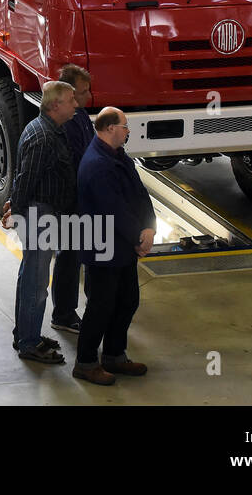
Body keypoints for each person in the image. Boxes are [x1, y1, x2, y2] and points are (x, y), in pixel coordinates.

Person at [72, 107, 156, 386]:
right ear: (110, 129)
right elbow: (114, 209)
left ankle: (114, 355)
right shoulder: (97, 164)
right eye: (124, 125)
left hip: (122, 245)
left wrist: (149, 227)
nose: (128, 130)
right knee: (101, 306)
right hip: (103, 246)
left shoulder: (118, 156)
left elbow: (139, 193)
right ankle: (85, 363)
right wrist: (138, 236)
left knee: (127, 300)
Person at [7, 80, 77, 364]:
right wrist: (17, 212)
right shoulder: (43, 137)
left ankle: (25, 333)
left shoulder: (47, 130)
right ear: (56, 104)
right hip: (39, 217)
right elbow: (25, 180)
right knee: (36, 284)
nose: (75, 104)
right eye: (71, 100)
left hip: (41, 214)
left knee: (30, 277)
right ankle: (29, 343)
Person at [50, 63, 93, 335]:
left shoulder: (81, 116)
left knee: (78, 254)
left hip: (82, 200)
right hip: (72, 202)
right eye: (83, 92)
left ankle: (79, 307)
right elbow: (78, 162)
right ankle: (63, 313)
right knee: (69, 257)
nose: (89, 96)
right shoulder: (68, 124)